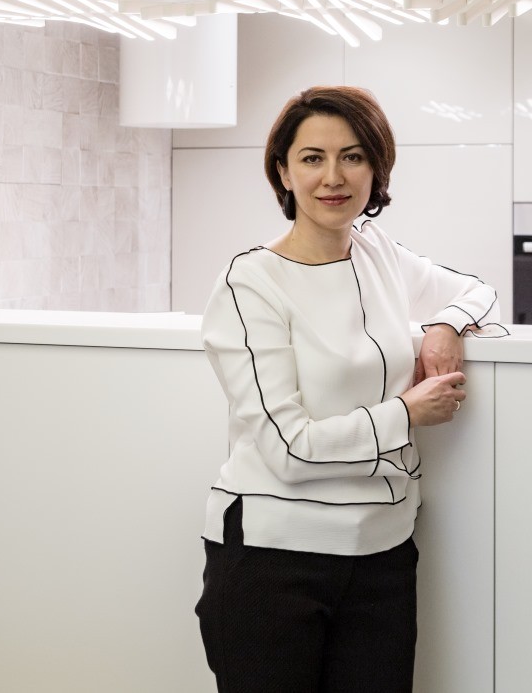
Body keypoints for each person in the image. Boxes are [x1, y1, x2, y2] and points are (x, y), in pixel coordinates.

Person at [196, 85, 506, 693]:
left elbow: (479, 292)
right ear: (283, 172)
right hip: (271, 561)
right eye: (312, 158)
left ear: (376, 168)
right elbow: (288, 449)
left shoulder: (376, 251)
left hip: (383, 555)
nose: (333, 177)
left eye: (353, 156)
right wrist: (406, 413)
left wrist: (445, 324)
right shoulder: (250, 283)